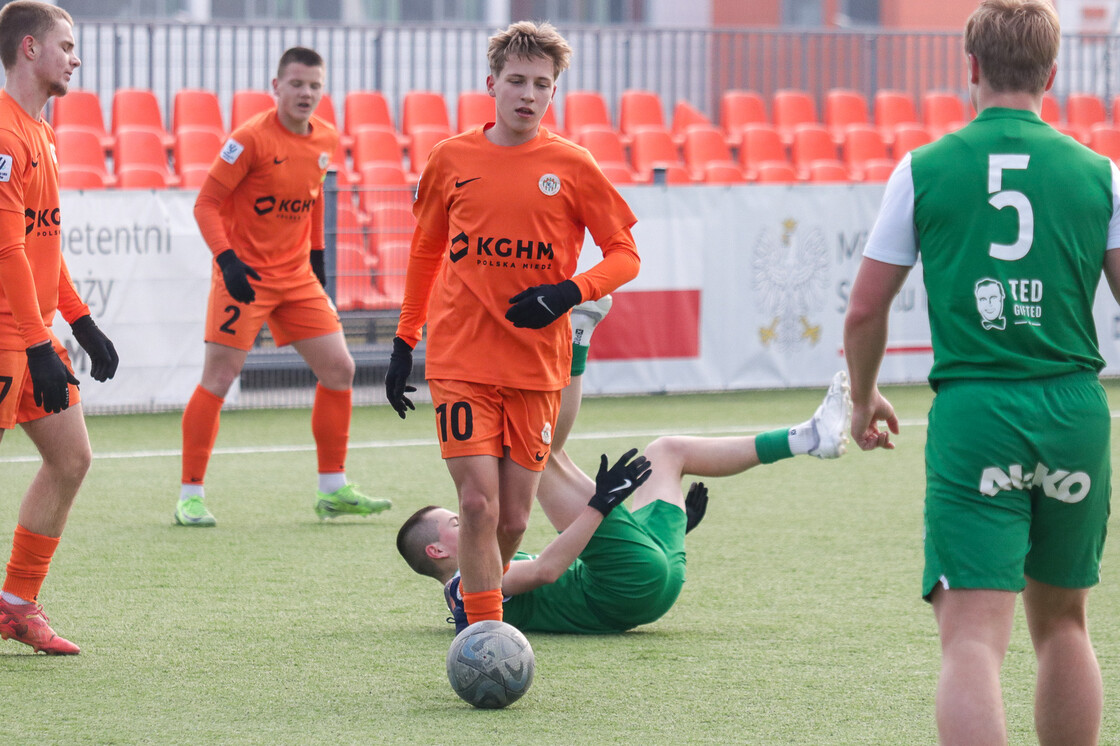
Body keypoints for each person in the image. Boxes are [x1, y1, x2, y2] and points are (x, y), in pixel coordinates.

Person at [843, 2, 1118, 743]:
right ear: (1052, 74)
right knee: (1065, 623)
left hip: (977, 410)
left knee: (971, 639)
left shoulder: (923, 169)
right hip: (1073, 413)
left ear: (970, 67)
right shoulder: (1101, 174)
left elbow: (865, 311)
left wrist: (865, 398)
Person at [384, 21, 641, 630]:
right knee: (476, 503)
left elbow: (625, 254)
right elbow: (424, 253)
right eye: (518, 81)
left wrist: (568, 292)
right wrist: (404, 341)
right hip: (461, 360)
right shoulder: (451, 158)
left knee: (513, 521)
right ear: (492, 83)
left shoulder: (572, 165)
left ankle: (478, 612)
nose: (528, 94)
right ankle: (482, 636)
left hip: (534, 366)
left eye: (542, 85)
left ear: (554, 94)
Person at [397, 302, 852, 634]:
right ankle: (576, 339)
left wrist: (648, 528)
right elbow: (547, 571)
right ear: (438, 552)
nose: (468, 518)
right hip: (624, 586)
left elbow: (557, 566)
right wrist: (599, 505)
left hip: (652, 578)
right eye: (454, 522)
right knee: (542, 457)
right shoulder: (465, 587)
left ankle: (808, 436)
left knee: (667, 452)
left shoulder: (483, 568)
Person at [174, 47, 391, 528]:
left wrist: (317, 259)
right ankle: (190, 495)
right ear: (276, 87)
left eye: (314, 85)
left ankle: (333, 489)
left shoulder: (326, 138)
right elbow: (206, 204)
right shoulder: (248, 139)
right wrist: (227, 260)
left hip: (296, 277)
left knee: (340, 368)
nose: (306, 93)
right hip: (244, 278)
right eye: (296, 84)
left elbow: (312, 199)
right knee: (220, 378)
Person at [0, 1, 119, 655]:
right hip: (8, 335)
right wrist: (41, 340)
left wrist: (80, 320)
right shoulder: (3, 132)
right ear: (27, 49)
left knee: (71, 458)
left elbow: (41, 240)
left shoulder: (39, 131)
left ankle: (17, 604)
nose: (75, 58)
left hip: (30, 332)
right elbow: (6, 248)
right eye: (66, 45)